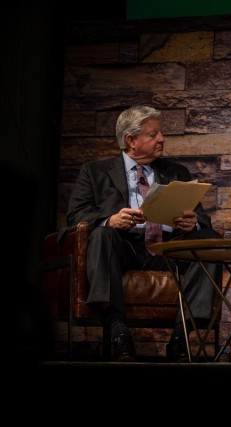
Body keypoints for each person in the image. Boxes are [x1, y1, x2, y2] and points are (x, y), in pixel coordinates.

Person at [66, 105, 222, 362]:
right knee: (103, 235)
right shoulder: (94, 172)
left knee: (209, 241)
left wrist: (193, 223)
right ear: (131, 140)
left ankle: (181, 338)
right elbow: (76, 215)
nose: (162, 139)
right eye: (153, 134)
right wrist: (110, 220)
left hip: (167, 247)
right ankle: (118, 332)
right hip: (124, 246)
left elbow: (201, 217)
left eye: (161, 134)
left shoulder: (176, 172)